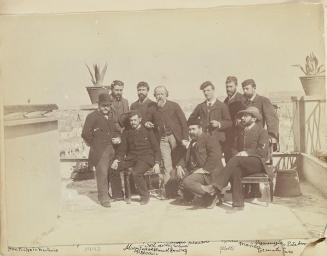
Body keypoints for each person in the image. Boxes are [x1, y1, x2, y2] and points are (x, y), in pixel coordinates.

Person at [202, 106, 271, 210]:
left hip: (258, 163)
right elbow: (234, 148)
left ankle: (216, 187)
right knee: (235, 170)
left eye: (246, 116)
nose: (242, 118)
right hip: (241, 162)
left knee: (235, 160)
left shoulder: (262, 131)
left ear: (254, 118)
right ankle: (238, 204)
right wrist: (237, 154)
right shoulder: (241, 131)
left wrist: (247, 153)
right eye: (242, 116)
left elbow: (262, 151)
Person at [111, 110, 161, 205]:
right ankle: (118, 195)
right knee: (113, 168)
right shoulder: (127, 132)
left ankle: (145, 196)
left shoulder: (148, 131)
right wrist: (117, 160)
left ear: (140, 119)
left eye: (134, 120)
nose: (132, 122)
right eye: (131, 120)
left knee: (136, 172)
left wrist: (157, 163)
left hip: (146, 158)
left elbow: (156, 149)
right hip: (131, 158)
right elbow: (122, 149)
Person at [147, 86, 188, 198]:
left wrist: (185, 138)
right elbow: (146, 120)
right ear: (155, 96)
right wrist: (147, 123)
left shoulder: (174, 106)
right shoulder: (152, 109)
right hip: (163, 139)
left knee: (179, 163)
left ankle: (183, 190)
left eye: (162, 93)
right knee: (167, 165)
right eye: (157, 94)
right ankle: (170, 192)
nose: (160, 96)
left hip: (176, 138)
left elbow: (184, 122)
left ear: (166, 95)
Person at [81, 93, 121, 207]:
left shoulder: (111, 116)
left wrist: (118, 138)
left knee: (109, 173)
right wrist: (95, 145)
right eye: (103, 105)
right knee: (102, 174)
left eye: (108, 105)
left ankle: (107, 194)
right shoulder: (92, 116)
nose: (106, 108)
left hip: (112, 149)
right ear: (98, 105)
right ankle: (104, 198)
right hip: (100, 151)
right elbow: (85, 134)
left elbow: (116, 131)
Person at [175, 118, 224, 208]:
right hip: (197, 170)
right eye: (189, 130)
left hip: (210, 171)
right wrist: (179, 166)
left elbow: (216, 155)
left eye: (193, 129)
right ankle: (191, 196)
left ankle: (212, 195)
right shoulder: (193, 142)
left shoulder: (209, 138)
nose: (191, 132)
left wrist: (204, 169)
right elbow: (185, 156)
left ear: (200, 129)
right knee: (175, 173)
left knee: (187, 182)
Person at [188, 81, 232, 149]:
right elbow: (191, 120)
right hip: (203, 140)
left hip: (218, 141)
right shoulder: (200, 106)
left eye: (208, 90)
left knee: (215, 159)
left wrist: (219, 124)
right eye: (204, 91)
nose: (206, 93)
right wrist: (199, 125)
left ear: (213, 90)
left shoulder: (222, 106)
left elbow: (229, 122)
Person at [108, 80, 130, 199]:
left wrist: (124, 135)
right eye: (116, 90)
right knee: (113, 164)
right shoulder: (107, 103)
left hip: (124, 137)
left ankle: (130, 191)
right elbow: (108, 121)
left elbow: (128, 118)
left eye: (121, 90)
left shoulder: (125, 102)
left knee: (125, 163)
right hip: (112, 136)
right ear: (112, 89)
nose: (118, 92)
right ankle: (117, 193)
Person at [241, 79, 279, 143]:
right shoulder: (244, 103)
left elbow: (272, 120)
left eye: (247, 89)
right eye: (243, 89)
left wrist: (271, 136)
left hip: (258, 137)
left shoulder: (263, 101)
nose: (245, 91)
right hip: (245, 137)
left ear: (254, 88)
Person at [223, 76, 245, 162]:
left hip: (238, 138)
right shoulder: (225, 101)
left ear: (236, 86)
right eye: (227, 87)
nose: (228, 89)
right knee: (228, 162)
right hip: (228, 138)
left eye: (231, 86)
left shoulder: (242, 99)